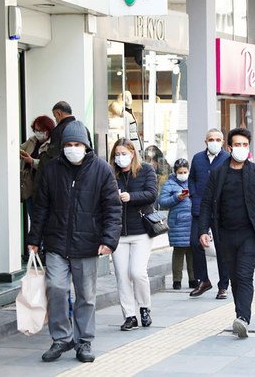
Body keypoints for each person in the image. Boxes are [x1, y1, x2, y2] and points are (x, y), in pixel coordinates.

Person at [26, 120, 121, 363]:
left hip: (87, 244)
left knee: (86, 295)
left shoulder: (102, 170)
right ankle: (61, 338)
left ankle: (84, 340)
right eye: (68, 144)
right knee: (56, 288)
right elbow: (42, 207)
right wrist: (34, 239)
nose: (72, 148)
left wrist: (109, 240)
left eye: (77, 144)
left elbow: (112, 208)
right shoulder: (52, 169)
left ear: (86, 146)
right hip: (56, 243)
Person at [198, 127, 255, 338]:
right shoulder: (218, 173)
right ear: (229, 147)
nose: (241, 148)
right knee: (234, 277)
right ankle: (239, 314)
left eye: (245, 145)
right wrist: (203, 230)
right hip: (224, 233)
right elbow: (206, 202)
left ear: (249, 148)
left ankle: (243, 318)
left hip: (250, 234)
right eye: (237, 144)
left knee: (244, 275)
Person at [110, 138, 158, 331]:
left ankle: (144, 307)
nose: (121, 157)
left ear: (132, 153)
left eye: (124, 153)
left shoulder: (146, 170)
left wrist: (131, 197)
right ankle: (129, 315)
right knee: (122, 276)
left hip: (141, 230)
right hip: (118, 232)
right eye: (117, 154)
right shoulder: (110, 173)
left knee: (137, 272)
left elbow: (152, 194)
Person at [188, 129, 231, 299]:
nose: (214, 142)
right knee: (195, 243)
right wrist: (193, 193)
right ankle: (203, 280)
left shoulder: (228, 158)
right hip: (200, 208)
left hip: (220, 210)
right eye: (211, 139)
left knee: (222, 248)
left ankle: (223, 286)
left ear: (222, 142)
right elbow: (191, 178)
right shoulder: (198, 158)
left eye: (218, 139)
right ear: (205, 142)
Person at [32, 101, 91, 200]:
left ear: (58, 113)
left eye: (55, 116)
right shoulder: (83, 129)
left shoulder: (58, 131)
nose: (73, 148)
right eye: (69, 145)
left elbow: (53, 157)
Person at [159, 158, 196, 290]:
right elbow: (162, 202)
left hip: (192, 221)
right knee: (179, 251)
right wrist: (177, 197)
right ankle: (177, 281)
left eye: (185, 171)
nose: (183, 174)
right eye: (180, 172)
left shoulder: (193, 181)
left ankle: (193, 279)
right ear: (175, 172)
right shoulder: (169, 184)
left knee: (192, 251)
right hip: (178, 222)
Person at [20, 115, 55, 217]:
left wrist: (32, 161)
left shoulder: (52, 145)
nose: (38, 133)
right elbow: (18, 148)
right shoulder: (32, 141)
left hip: (43, 185)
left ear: (48, 130)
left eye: (41, 130)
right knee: (33, 216)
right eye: (36, 130)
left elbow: (48, 164)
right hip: (29, 185)